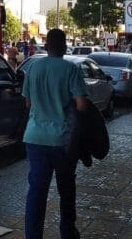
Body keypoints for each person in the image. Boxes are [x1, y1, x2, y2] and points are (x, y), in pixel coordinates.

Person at [22, 28, 88, 239]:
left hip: (34, 137)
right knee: (66, 190)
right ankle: (68, 232)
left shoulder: (33, 68)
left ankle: (33, 235)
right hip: (62, 140)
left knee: (37, 191)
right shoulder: (71, 69)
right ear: (64, 46)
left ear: (47, 46)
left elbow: (28, 102)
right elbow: (81, 104)